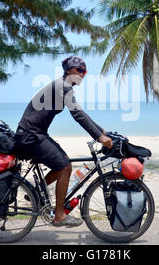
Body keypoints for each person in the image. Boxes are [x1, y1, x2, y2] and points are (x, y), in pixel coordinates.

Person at [14, 56, 113, 227]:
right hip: (31, 135)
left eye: (85, 71)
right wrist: (99, 137)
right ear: (68, 70)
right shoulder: (63, 86)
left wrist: (102, 131)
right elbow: (78, 115)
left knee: (63, 163)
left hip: (34, 133)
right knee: (65, 166)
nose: (83, 74)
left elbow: (81, 113)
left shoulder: (62, 85)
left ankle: (35, 193)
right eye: (79, 70)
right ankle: (59, 215)